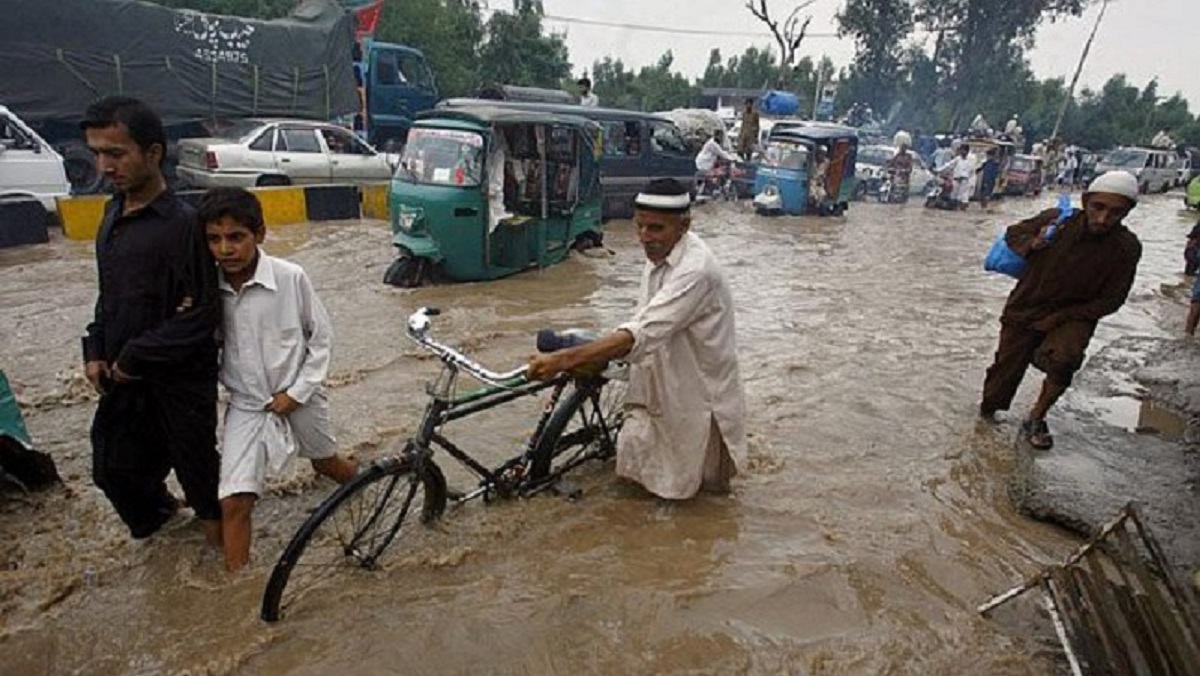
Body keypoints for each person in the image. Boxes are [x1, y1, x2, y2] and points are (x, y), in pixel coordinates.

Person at [527, 178, 746, 499]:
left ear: (684, 225)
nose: (645, 237)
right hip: (658, 361)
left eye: (656, 229)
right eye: (640, 227)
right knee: (649, 457)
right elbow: (645, 318)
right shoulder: (660, 253)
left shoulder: (696, 270)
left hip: (697, 382)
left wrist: (562, 360)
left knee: (700, 482)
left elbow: (645, 331)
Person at [81, 96, 222, 544]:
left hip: (179, 381)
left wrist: (137, 355)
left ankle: (223, 576)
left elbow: (203, 313)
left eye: (116, 153)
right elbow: (110, 295)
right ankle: (163, 535)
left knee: (201, 480)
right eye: (98, 153)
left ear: (154, 154)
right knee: (112, 470)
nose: (105, 166)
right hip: (122, 375)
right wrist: (96, 350)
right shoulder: (110, 216)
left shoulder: (185, 225)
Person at [198, 188, 358, 573]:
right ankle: (237, 593)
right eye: (214, 239)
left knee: (325, 464)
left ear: (259, 234)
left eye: (236, 237)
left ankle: (370, 486)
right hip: (247, 405)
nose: (225, 249)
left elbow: (321, 339)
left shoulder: (290, 278)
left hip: (299, 395)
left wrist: (297, 392)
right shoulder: (205, 288)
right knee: (235, 501)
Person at [980, 171, 1143, 449]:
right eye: (1098, 207)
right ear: (1086, 201)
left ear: (1127, 212)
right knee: (1003, 372)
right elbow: (1013, 233)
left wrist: (1059, 318)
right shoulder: (1059, 220)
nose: (1104, 219)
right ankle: (985, 417)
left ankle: (1037, 416)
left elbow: (1112, 300)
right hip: (1026, 306)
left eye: (1116, 212)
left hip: (1074, 315)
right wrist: (1033, 242)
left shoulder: (1126, 248)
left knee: (1065, 359)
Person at [939, 144, 978, 210]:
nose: (961, 152)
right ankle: (954, 208)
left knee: (964, 197)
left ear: (966, 151)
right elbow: (949, 165)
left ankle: (962, 210)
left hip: (966, 180)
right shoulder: (958, 158)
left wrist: (963, 176)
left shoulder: (972, 158)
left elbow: (971, 169)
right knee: (954, 195)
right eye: (960, 150)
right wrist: (939, 170)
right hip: (956, 179)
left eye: (962, 150)